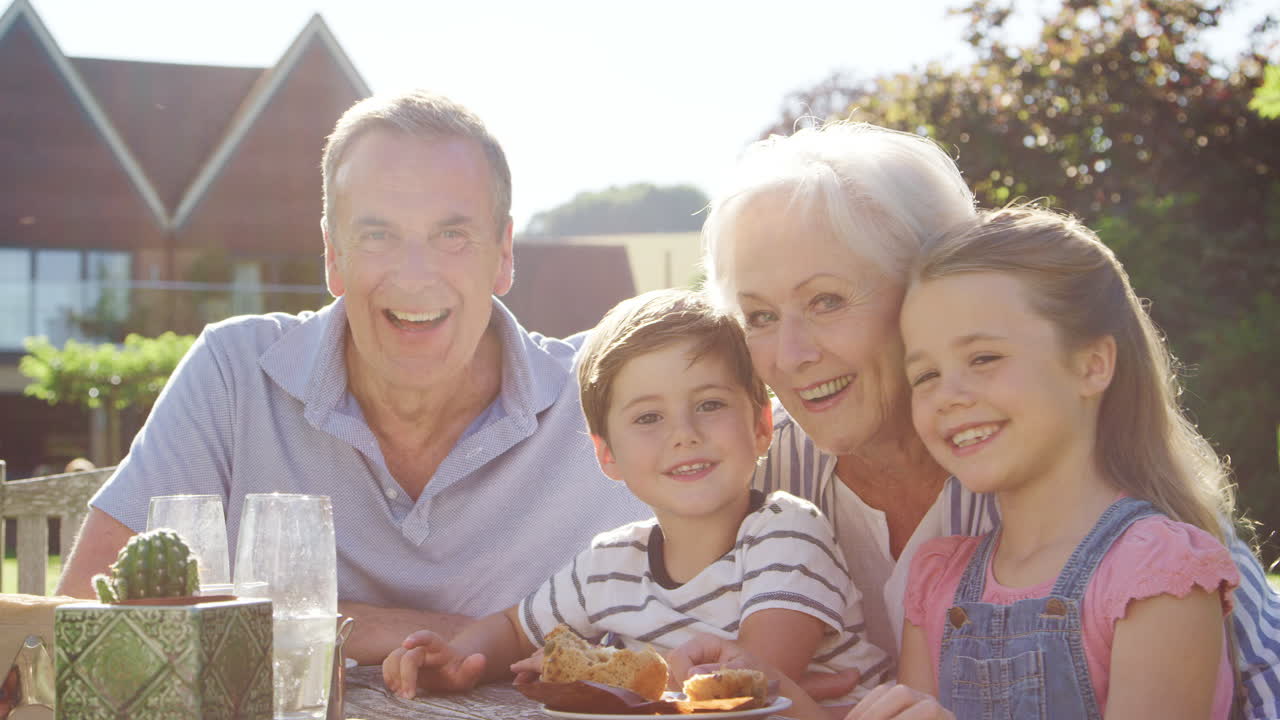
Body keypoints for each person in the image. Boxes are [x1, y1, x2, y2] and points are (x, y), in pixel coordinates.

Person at [672, 121, 1280, 718]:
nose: (792, 354)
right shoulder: (749, 470)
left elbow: (1263, 681)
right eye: (758, 317)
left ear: (929, 291)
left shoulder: (1094, 500)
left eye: (826, 301)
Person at [55, 90, 651, 663]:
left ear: (503, 254)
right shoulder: (234, 377)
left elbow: (717, 635)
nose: (414, 276)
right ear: (332, 254)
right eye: (377, 235)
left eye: (452, 235)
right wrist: (461, 637)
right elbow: (85, 614)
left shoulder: (607, 395)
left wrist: (285, 621)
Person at [382, 289, 890, 716]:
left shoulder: (787, 533)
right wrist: (460, 658)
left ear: (761, 426)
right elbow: (513, 630)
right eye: (649, 418)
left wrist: (595, 671)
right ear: (607, 456)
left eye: (709, 405)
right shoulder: (610, 564)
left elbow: (744, 685)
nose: (684, 435)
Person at [886, 205, 1239, 718]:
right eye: (924, 375)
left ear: (1091, 366)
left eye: (983, 358)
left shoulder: (1157, 574)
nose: (948, 395)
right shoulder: (937, 582)